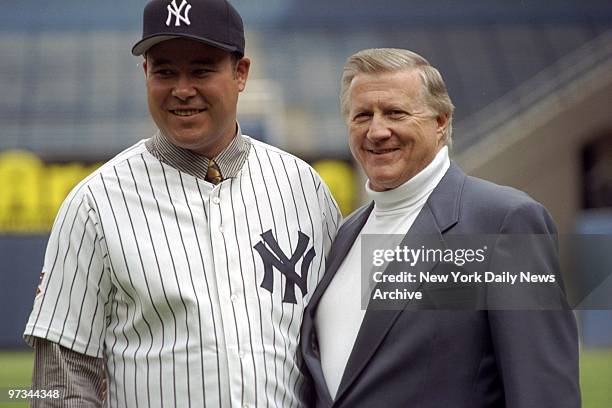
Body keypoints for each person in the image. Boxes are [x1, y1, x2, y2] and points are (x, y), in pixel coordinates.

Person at [23, 0, 340, 406]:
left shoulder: (304, 188)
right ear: (145, 74)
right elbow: (60, 383)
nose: (182, 89)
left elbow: (340, 345)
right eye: (165, 71)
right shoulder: (94, 203)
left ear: (240, 73)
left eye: (202, 70)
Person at [300, 48, 580, 407]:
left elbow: (544, 392)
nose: (377, 130)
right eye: (362, 115)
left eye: (395, 113)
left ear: (441, 121)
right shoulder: (344, 234)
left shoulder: (504, 222)